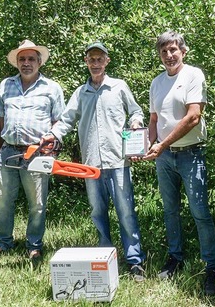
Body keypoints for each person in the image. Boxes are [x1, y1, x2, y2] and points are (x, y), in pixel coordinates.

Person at [42, 41, 147, 281]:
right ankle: (106, 256)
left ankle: (134, 261)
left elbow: (136, 111)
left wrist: (136, 122)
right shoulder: (81, 93)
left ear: (107, 61)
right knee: (97, 212)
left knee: (126, 212)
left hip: (119, 161)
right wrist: (53, 134)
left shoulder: (119, 87)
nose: (96, 63)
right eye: (92, 59)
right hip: (91, 165)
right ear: (86, 62)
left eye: (100, 59)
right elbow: (67, 120)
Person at [143, 30, 215, 295]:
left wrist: (161, 144)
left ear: (183, 51)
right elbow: (154, 120)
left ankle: (211, 267)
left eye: (173, 50)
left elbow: (193, 117)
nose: (169, 55)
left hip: (191, 153)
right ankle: (175, 257)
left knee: (200, 211)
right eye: (164, 51)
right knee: (170, 210)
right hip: (164, 158)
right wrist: (147, 146)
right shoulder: (156, 82)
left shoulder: (193, 75)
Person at [0, 40, 65, 263]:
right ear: (17, 62)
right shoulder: (6, 85)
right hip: (8, 151)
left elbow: (60, 121)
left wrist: (52, 149)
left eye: (31, 59)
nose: (26, 63)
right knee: (1, 199)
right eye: (22, 59)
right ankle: (3, 242)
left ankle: (34, 246)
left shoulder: (52, 88)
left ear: (39, 62)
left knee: (37, 203)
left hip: (38, 154)